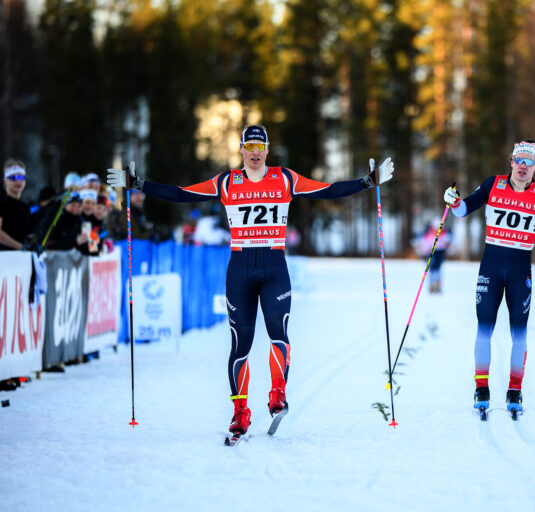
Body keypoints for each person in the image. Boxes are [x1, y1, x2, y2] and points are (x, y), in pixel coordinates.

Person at [107, 124, 394, 438]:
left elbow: (327, 190)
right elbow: (181, 194)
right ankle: (240, 412)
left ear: (267, 150)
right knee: (240, 344)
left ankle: (277, 394)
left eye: (261, 147)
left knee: (277, 332)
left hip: (274, 267)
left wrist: (367, 182)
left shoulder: (286, 178)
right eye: (249, 147)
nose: (255, 153)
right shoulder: (226, 181)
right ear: (241, 149)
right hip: (240, 269)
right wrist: (138, 184)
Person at [443, 140, 535, 416]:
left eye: (529, 162)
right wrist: (453, 202)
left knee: (518, 334)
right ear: (511, 161)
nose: (523, 167)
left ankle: (515, 391)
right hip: (491, 266)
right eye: (518, 160)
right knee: (483, 328)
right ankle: (482, 388)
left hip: (520, 269)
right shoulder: (492, 184)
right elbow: (464, 209)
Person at [0, 160, 32, 251]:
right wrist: (20, 246)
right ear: (5, 181)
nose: (18, 181)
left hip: (21, 259)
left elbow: (28, 234)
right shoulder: (2, 203)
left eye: (21, 178)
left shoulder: (25, 207)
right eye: (13, 177)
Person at [418, 217, 452, 293]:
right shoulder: (429, 234)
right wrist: (425, 250)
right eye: (435, 228)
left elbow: (448, 242)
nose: (436, 230)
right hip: (431, 252)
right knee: (432, 268)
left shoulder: (444, 234)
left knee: (438, 268)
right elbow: (424, 243)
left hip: (440, 252)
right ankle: (432, 285)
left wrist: (448, 245)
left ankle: (438, 284)